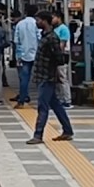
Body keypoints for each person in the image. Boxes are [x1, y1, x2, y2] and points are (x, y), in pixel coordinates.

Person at [26, 11, 75, 145]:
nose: (36, 22)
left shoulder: (52, 38)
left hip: (47, 77)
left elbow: (59, 58)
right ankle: (67, 131)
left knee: (43, 107)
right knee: (56, 105)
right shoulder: (44, 36)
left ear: (44, 21)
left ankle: (38, 135)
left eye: (38, 20)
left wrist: (54, 70)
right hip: (43, 76)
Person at [13, 5, 40, 109]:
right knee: (40, 79)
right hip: (37, 55)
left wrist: (18, 56)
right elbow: (40, 38)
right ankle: (42, 100)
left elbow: (16, 41)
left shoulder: (20, 24)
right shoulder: (36, 24)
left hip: (23, 55)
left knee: (24, 78)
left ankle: (21, 101)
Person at [52, 12, 72, 108]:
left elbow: (62, 44)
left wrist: (57, 54)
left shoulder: (63, 29)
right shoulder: (55, 29)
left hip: (62, 56)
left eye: (53, 17)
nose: (52, 20)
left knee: (62, 78)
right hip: (56, 56)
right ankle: (60, 98)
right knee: (57, 79)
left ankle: (67, 100)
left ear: (59, 18)